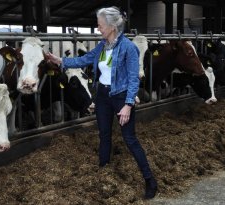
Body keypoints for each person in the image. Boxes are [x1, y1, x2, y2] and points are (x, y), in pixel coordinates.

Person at [46, 6, 157, 199]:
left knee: (130, 139)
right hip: (103, 96)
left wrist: (128, 104)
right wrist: (59, 61)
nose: (98, 29)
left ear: (112, 26)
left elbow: (133, 79)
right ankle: (104, 172)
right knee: (104, 135)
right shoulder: (102, 45)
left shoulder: (129, 48)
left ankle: (150, 181)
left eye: (100, 25)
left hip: (121, 97)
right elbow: (84, 60)